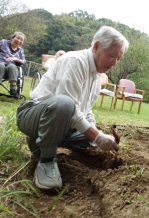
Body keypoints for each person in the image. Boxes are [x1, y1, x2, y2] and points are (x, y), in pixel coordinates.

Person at [16, 26, 129, 190]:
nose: (114, 62)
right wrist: (97, 136)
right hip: (33, 115)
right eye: (111, 55)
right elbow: (70, 107)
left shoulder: (97, 77)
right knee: (64, 104)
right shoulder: (75, 61)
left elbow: (86, 110)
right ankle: (46, 160)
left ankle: (40, 140)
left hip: (61, 124)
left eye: (118, 59)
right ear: (96, 46)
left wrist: (98, 135)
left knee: (89, 140)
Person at [0, 31, 26, 97]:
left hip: (10, 72)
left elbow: (24, 61)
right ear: (12, 38)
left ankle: (13, 89)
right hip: (0, 64)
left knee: (12, 66)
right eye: (18, 38)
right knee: (1, 65)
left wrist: (15, 59)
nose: (19, 40)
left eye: (21, 40)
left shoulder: (21, 50)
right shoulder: (3, 42)